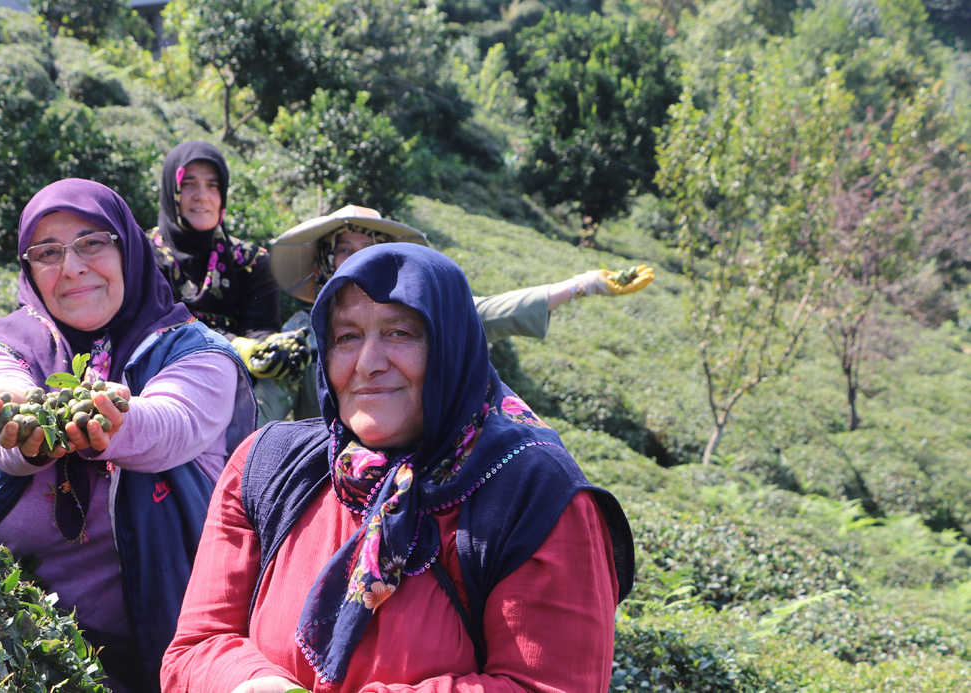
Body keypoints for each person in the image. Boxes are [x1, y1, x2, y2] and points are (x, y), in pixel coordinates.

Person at [162, 243, 635, 692]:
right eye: (347, 336)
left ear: (451, 346)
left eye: (400, 333)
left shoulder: (534, 493)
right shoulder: (266, 465)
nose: (368, 364)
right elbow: (196, 649)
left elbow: (547, 684)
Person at [0, 179, 256, 693]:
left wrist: (112, 423)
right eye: (48, 252)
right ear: (29, 270)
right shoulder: (1, 343)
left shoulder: (197, 351)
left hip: (159, 639)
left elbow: (172, 422)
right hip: (10, 637)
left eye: (92, 243)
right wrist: (24, 428)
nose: (71, 267)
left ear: (128, 247)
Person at [270, 205, 656, 420]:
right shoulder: (301, 333)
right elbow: (267, 406)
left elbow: (490, 312)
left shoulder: (419, 315)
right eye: (344, 250)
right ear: (325, 261)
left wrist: (582, 284)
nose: (356, 260)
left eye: (368, 248)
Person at [148, 140, 308, 423]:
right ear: (171, 189)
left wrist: (270, 349)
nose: (201, 196)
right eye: (189, 184)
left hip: (232, 391)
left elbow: (259, 328)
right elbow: (156, 328)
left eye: (212, 185)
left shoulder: (250, 261)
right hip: (157, 389)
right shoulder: (143, 254)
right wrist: (235, 344)